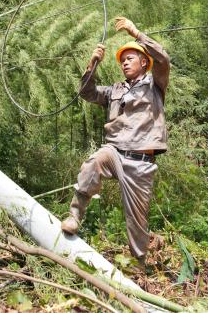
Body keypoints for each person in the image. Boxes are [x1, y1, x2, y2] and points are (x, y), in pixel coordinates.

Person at [61, 16, 170, 267]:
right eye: (121, 60)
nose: (124, 63)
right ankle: (75, 215)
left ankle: (139, 265)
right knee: (94, 163)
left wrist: (136, 33)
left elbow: (163, 59)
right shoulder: (115, 90)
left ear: (144, 62)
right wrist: (92, 64)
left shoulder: (156, 85)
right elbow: (87, 93)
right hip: (114, 152)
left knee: (137, 221)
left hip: (141, 161)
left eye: (129, 58)